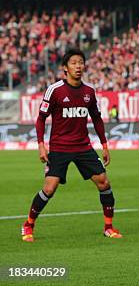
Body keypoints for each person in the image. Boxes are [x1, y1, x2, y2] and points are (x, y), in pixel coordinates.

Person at [21, 48, 122, 242]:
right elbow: (41, 119)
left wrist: (104, 145)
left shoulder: (89, 92)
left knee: (104, 183)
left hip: (83, 147)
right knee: (49, 188)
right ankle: (28, 224)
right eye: (74, 63)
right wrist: (41, 145)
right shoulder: (55, 90)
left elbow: (97, 118)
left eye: (81, 62)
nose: (78, 66)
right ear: (65, 68)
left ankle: (108, 227)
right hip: (59, 148)